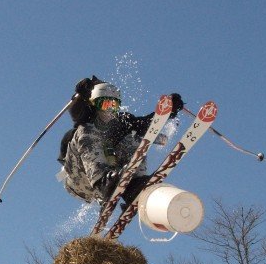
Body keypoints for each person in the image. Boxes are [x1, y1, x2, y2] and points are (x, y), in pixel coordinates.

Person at [57, 76, 184, 206]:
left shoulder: (121, 121)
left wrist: (167, 111)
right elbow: (77, 112)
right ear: (94, 104)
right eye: (105, 104)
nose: (110, 110)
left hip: (112, 177)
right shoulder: (87, 119)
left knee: (132, 135)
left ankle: (135, 186)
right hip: (80, 178)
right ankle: (103, 182)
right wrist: (81, 96)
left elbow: (144, 125)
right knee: (86, 130)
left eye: (114, 105)